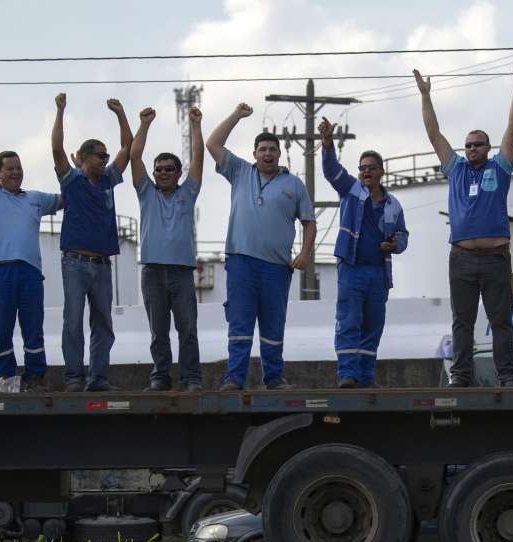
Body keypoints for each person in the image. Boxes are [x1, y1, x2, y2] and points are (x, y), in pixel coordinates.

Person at [414, 61, 513, 387]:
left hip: (495, 258)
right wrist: (425, 96)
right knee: (462, 321)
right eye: (468, 144)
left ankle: (507, 376)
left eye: (478, 144)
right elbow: (434, 134)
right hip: (461, 258)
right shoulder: (456, 169)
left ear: (488, 149)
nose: (472, 148)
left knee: (501, 321)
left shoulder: (500, 168)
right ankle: (462, 376)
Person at [206, 103, 317, 391]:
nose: (267, 153)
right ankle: (234, 378)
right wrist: (236, 115)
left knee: (272, 327)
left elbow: (309, 222)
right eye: (262, 149)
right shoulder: (240, 171)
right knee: (240, 325)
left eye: (272, 149)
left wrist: (304, 254)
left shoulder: (294, 184)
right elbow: (213, 143)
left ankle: (274, 378)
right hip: (241, 262)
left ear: (280, 154)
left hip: (277, 267)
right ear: (254, 154)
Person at [0, 111, 62, 393]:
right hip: (0, 270)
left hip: (30, 272)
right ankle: (5, 378)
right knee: (1, 326)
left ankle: (34, 378)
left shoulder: (36, 199)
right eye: (10, 168)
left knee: (33, 327)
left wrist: (79, 172)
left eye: (19, 167)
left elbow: (68, 197)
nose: (16, 172)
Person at [50, 93, 133, 392]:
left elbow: (128, 147)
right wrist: (60, 111)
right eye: (100, 155)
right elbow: (57, 148)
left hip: (102, 263)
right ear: (84, 158)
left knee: (103, 325)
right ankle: (74, 378)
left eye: (106, 156)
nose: (106, 159)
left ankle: (98, 379)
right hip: (75, 261)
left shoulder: (109, 179)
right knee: (73, 321)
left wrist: (121, 113)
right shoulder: (71, 180)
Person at [318, 117, 409, 389]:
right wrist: (327, 143)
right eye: (362, 168)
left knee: (373, 324)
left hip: (378, 273)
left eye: (371, 168)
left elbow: (403, 235)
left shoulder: (393, 205)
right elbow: (331, 170)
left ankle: (366, 377)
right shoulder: (351, 190)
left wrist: (395, 245)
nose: (365, 172)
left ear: (381, 172)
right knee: (349, 321)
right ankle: (347, 374)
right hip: (352, 268)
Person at [130, 105, 204, 391]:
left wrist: (196, 125)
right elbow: (134, 156)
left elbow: (198, 157)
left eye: (168, 169)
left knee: (187, 330)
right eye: (158, 169)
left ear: (178, 172)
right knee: (157, 331)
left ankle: (191, 379)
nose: (162, 173)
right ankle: (160, 377)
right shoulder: (146, 192)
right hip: (152, 271)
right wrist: (144, 124)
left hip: (182, 272)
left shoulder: (189, 192)